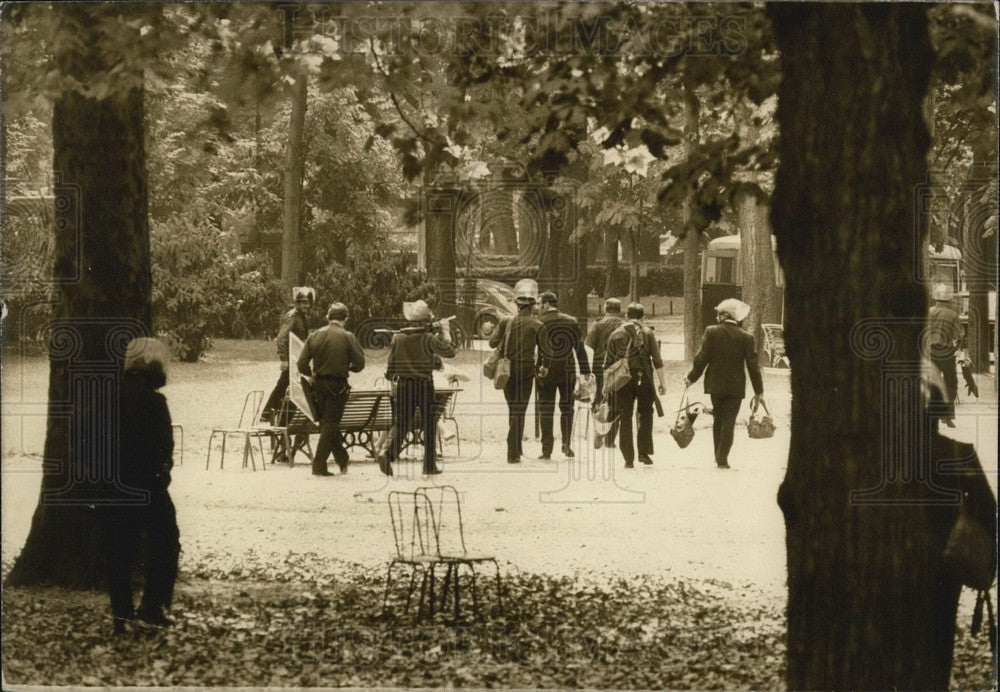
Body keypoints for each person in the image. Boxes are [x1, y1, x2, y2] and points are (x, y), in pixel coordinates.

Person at [104, 337, 180, 634]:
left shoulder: (112, 398)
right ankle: (153, 606)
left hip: (117, 484)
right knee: (166, 542)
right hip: (149, 486)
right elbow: (165, 446)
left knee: (119, 550)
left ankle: (121, 614)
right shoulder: (156, 402)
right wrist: (163, 475)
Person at [377, 300, 457, 476]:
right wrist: (445, 331)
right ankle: (429, 466)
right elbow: (450, 352)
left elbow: (390, 368)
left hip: (403, 385)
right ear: (425, 321)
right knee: (429, 423)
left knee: (402, 423)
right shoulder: (428, 338)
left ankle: (387, 453)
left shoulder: (398, 338)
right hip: (423, 384)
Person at [685, 298, 765, 470]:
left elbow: (702, 358)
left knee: (718, 419)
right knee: (729, 421)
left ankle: (717, 455)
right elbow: (753, 367)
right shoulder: (747, 337)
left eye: (719, 314)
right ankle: (723, 458)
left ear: (725, 315)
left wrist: (691, 378)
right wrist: (759, 391)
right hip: (736, 387)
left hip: (715, 385)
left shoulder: (711, 332)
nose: (716, 317)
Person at [297, 302, 365, 476]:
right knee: (331, 424)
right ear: (345, 319)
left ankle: (342, 458)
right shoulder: (348, 336)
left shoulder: (314, 335)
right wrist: (348, 367)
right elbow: (360, 364)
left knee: (327, 424)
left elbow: (301, 363)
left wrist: (311, 375)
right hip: (337, 385)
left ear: (328, 317)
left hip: (318, 384)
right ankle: (319, 465)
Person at [605, 303, 666, 468]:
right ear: (643, 317)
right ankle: (644, 453)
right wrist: (662, 382)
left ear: (626, 316)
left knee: (625, 416)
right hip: (643, 377)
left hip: (622, 380)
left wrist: (606, 385)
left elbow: (608, 362)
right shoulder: (647, 332)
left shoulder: (616, 333)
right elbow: (657, 360)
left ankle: (628, 458)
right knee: (645, 413)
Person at [490, 279, 542, 463]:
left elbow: (492, 343)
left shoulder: (506, 321)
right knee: (520, 409)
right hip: (526, 370)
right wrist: (543, 367)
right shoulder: (537, 325)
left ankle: (516, 447)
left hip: (507, 370)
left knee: (513, 408)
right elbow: (546, 351)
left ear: (517, 306)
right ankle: (513, 450)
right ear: (532, 307)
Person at [535, 291, 591, 459]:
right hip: (567, 370)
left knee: (546, 409)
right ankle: (566, 443)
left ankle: (546, 449)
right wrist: (585, 371)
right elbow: (579, 348)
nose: (537, 307)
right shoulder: (570, 321)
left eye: (538, 304)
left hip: (546, 371)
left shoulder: (539, 322)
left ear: (546, 304)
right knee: (567, 408)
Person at [262, 287, 315, 425]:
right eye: (303, 302)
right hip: (291, 358)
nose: (306, 305)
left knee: (287, 386)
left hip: (297, 357)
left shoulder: (301, 316)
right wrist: (284, 359)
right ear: (297, 303)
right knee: (284, 385)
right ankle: (268, 414)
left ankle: (273, 415)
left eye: (308, 302)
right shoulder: (293, 316)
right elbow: (281, 338)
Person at [585, 298, 625, 449]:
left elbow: (589, 346)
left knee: (598, 400)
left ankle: (598, 429)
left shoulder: (597, 324)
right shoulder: (624, 325)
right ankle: (610, 438)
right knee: (616, 401)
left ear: (605, 309)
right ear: (619, 310)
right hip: (617, 368)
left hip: (599, 367)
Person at [927, 283, 963, 428]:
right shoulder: (953, 314)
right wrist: (957, 349)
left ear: (935, 297)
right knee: (951, 383)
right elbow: (960, 335)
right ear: (949, 298)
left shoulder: (928, 312)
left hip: (931, 352)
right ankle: (947, 416)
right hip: (947, 353)